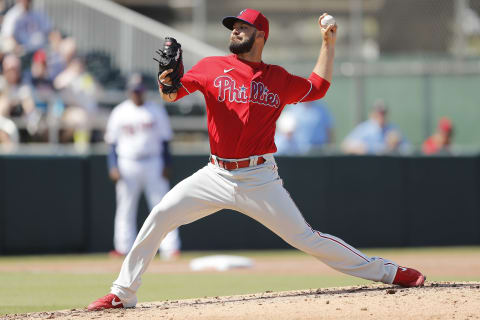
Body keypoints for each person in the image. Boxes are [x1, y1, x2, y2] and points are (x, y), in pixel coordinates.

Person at [88, 9, 425, 311]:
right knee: (160, 214)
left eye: (242, 27)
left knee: (307, 238)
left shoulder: (276, 78)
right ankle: (123, 292)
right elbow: (171, 93)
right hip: (215, 174)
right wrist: (165, 76)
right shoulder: (211, 67)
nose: (234, 31)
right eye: (232, 27)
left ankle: (390, 272)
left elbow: (317, 87)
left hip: (259, 178)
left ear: (260, 35)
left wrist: (327, 43)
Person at [104, 73, 180, 261]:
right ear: (129, 91)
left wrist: (166, 163)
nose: (137, 94)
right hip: (127, 162)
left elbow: (165, 141)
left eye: (140, 90)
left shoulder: (156, 110)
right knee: (125, 207)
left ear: (144, 91)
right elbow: (112, 143)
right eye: (134, 91)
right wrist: (113, 165)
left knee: (163, 207)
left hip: (153, 161)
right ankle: (122, 248)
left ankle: (170, 249)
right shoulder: (120, 112)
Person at [342, 100, 409, 155]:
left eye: (383, 113)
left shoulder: (392, 129)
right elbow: (345, 145)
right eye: (378, 112)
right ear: (372, 113)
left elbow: (407, 148)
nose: (381, 115)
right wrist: (363, 148)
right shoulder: (364, 128)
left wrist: (397, 145)